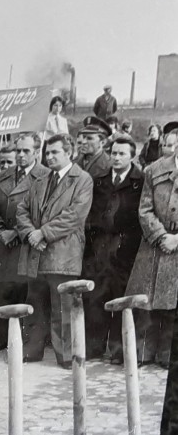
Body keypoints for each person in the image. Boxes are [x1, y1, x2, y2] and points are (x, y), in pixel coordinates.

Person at [17, 134, 93, 368]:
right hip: (36, 254)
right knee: (34, 305)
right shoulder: (39, 181)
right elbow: (22, 210)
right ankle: (32, 350)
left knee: (64, 309)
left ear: (68, 153)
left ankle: (66, 356)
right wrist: (32, 233)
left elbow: (74, 215)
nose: (49, 157)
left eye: (54, 152)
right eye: (47, 153)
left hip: (63, 254)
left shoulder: (82, 179)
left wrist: (43, 233)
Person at [0, 134, 49, 352]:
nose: (21, 155)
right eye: (18, 151)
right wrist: (2, 230)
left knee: (27, 292)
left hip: (27, 245)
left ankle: (27, 342)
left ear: (36, 153)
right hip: (2, 245)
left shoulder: (46, 177)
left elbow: (44, 215)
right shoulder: (3, 177)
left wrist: (16, 233)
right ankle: (1, 337)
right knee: (2, 290)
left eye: (26, 151)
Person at [82, 135, 143, 365]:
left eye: (121, 154)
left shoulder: (140, 181)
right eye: (114, 153)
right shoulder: (99, 181)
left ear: (132, 156)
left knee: (120, 296)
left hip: (125, 247)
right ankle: (94, 347)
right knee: (97, 296)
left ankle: (118, 351)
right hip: (100, 247)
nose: (116, 158)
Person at [125, 131, 178, 369]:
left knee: (173, 307)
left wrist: (177, 240)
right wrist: (160, 235)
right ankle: (143, 352)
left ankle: (167, 355)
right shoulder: (153, 170)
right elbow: (144, 209)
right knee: (146, 303)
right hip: (154, 246)